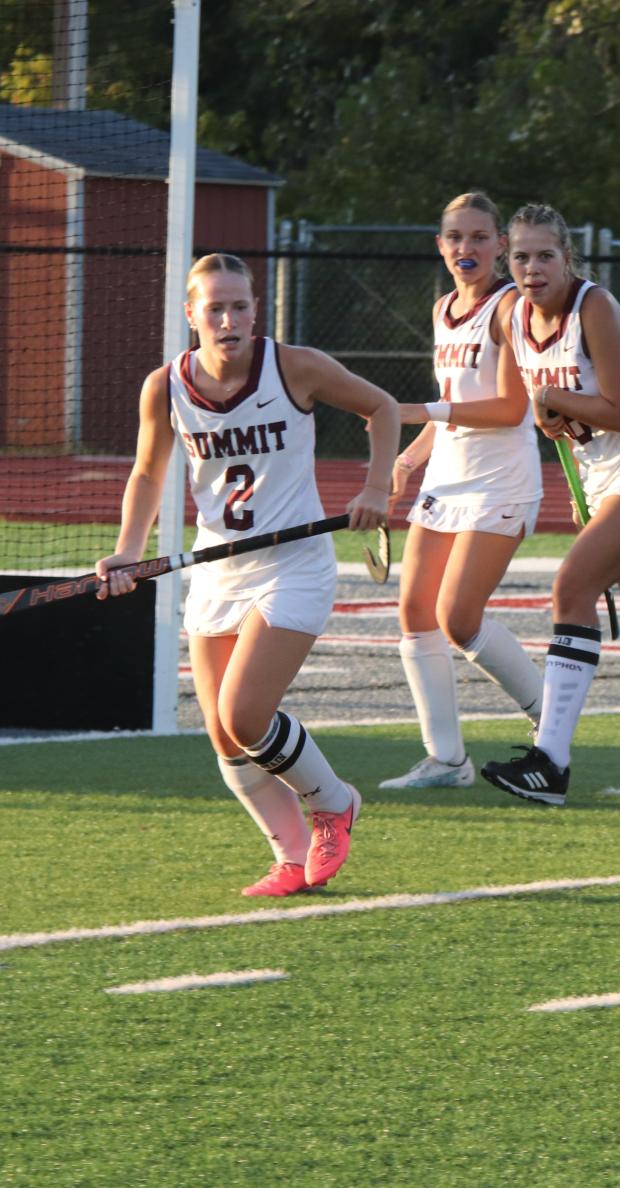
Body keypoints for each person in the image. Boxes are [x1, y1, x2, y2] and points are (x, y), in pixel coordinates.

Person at [97, 253, 397, 897]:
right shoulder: (166, 387)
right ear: (191, 315)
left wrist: (377, 487)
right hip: (217, 569)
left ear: (256, 310)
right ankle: (290, 857)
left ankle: (333, 802)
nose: (228, 319)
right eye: (215, 308)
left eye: (239, 306)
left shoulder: (295, 368)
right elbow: (150, 472)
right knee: (223, 737)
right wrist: (129, 549)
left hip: (292, 566)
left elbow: (383, 408)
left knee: (245, 712)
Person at [479, 203, 620, 806]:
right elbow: (561, 422)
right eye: (520, 256)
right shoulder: (517, 318)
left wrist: (551, 394)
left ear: (567, 259)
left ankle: (550, 761)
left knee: (570, 589)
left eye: (545, 255)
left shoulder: (593, 307)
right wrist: (581, 489)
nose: (532, 267)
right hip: (605, 476)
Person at [380, 191, 545, 790]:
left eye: (479, 237)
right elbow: (451, 402)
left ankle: (551, 722)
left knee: (458, 617)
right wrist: (410, 454)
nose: (466, 248)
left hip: (501, 480)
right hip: (445, 478)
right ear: (440, 246)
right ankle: (447, 760)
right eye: (455, 237)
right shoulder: (443, 307)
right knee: (414, 613)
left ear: (501, 245)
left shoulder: (509, 307)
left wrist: (413, 408)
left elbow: (508, 407)